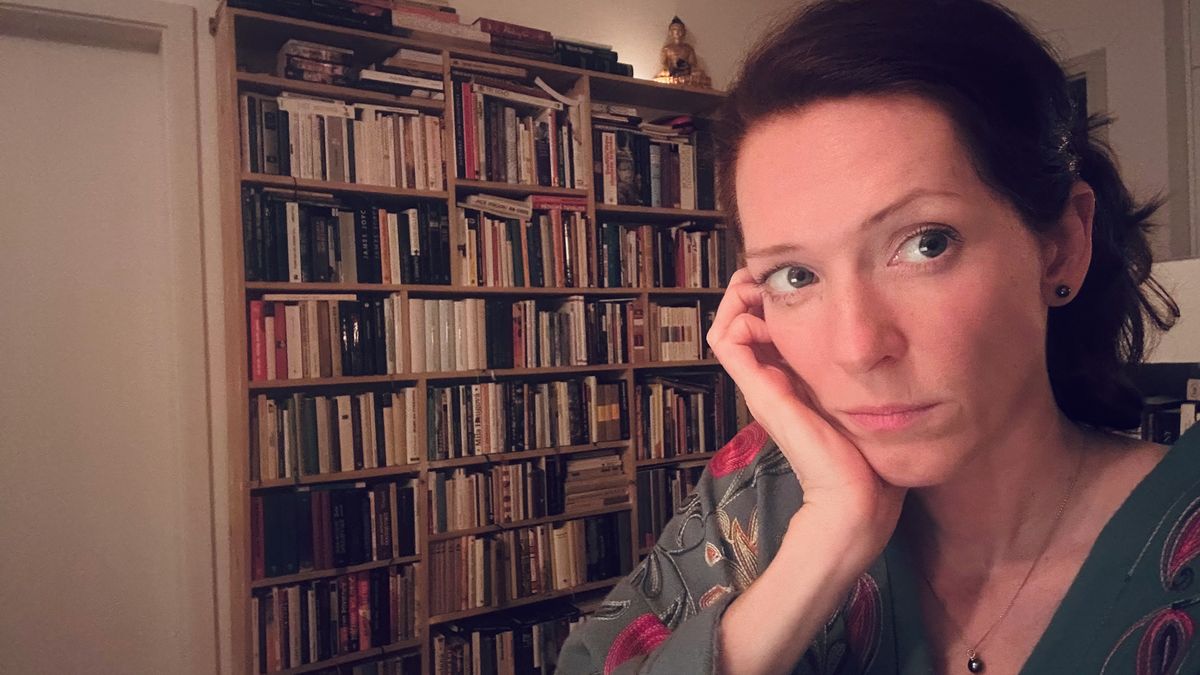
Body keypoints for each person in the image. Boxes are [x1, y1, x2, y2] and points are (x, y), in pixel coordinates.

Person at [555, 0, 1196, 673]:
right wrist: (827, 541)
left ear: (1061, 246)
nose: (859, 348)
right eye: (795, 275)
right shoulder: (759, 496)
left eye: (926, 244)